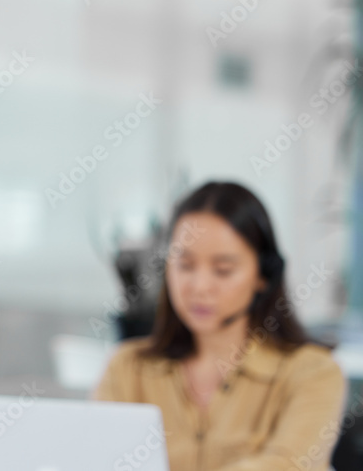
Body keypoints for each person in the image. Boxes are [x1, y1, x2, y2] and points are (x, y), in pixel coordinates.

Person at [94, 181, 346, 471]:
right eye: (185, 265)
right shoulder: (127, 368)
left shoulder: (312, 372)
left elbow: (286, 465)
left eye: (223, 270)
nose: (200, 287)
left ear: (263, 275)